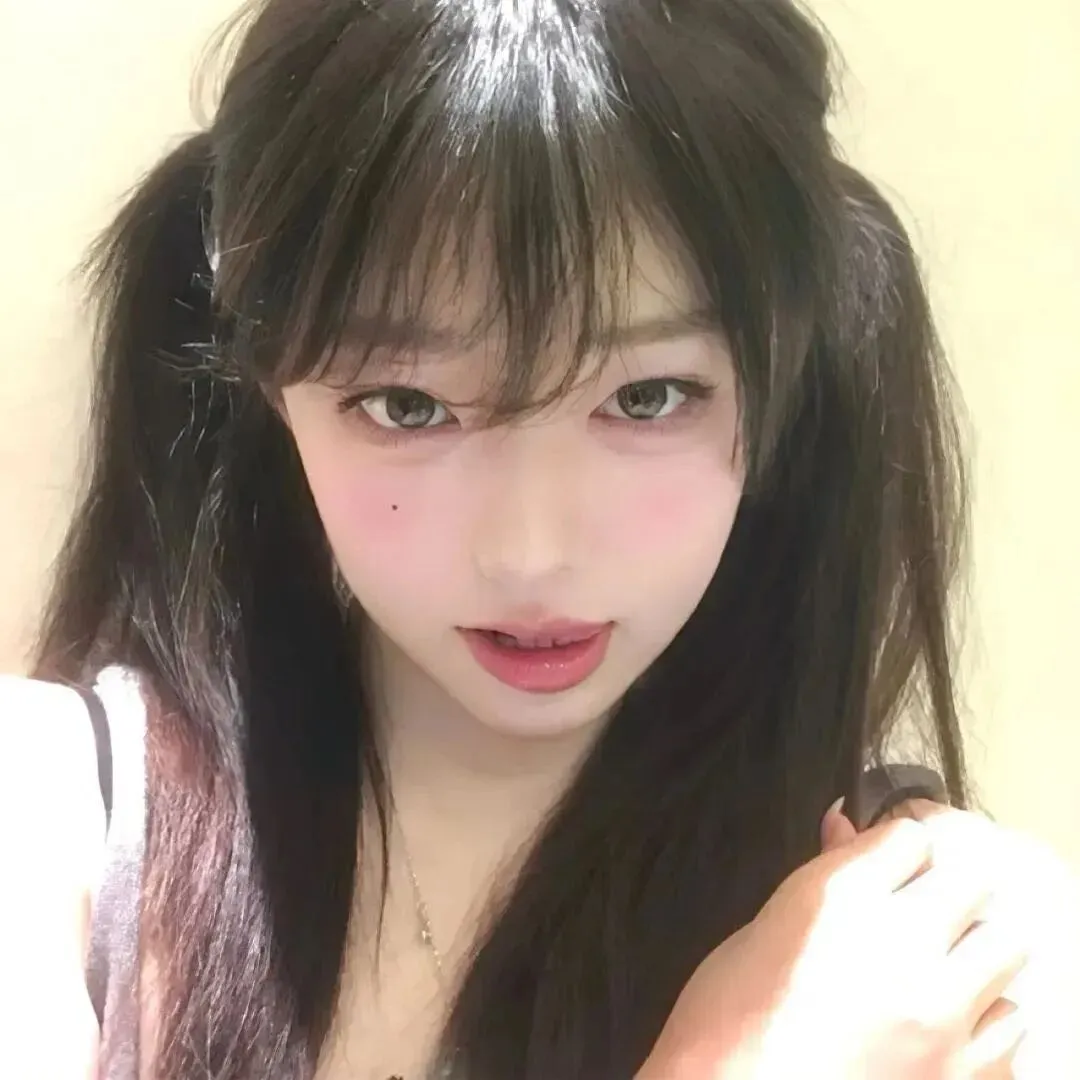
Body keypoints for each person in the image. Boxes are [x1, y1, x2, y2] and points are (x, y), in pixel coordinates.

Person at [1, 0, 1076, 1078]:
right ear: (271, 383)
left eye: (649, 397)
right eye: (409, 406)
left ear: (782, 374)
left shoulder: (953, 964)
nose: (530, 554)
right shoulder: (42, 825)